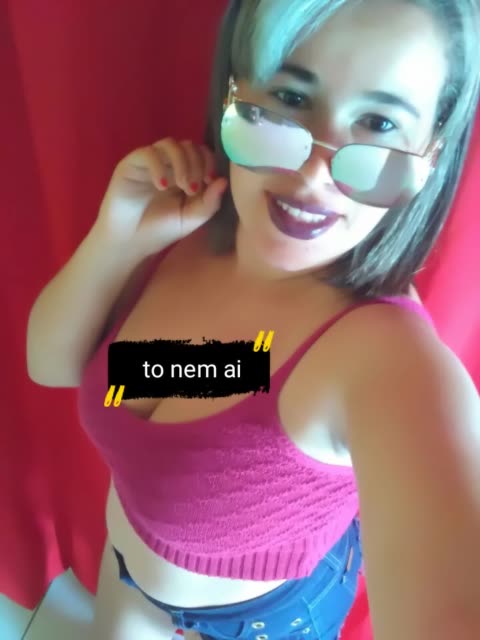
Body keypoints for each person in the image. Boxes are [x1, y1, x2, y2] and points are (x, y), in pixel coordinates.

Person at [26, 1, 480, 639]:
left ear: (429, 155)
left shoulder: (385, 357)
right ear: (237, 90)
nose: (312, 174)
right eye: (292, 99)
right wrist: (118, 237)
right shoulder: (188, 232)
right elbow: (52, 367)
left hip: (268, 620)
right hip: (129, 570)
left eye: (378, 123)